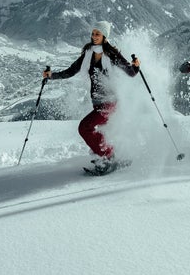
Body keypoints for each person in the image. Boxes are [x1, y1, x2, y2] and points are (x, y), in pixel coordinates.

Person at [43, 21, 140, 171]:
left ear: (104, 36)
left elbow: (131, 73)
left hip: (110, 102)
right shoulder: (88, 54)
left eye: (97, 34)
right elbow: (71, 71)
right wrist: (52, 76)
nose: (94, 36)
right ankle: (109, 155)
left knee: (85, 127)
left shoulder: (112, 54)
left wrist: (136, 66)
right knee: (97, 131)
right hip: (97, 102)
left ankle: (108, 156)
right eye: (93, 33)